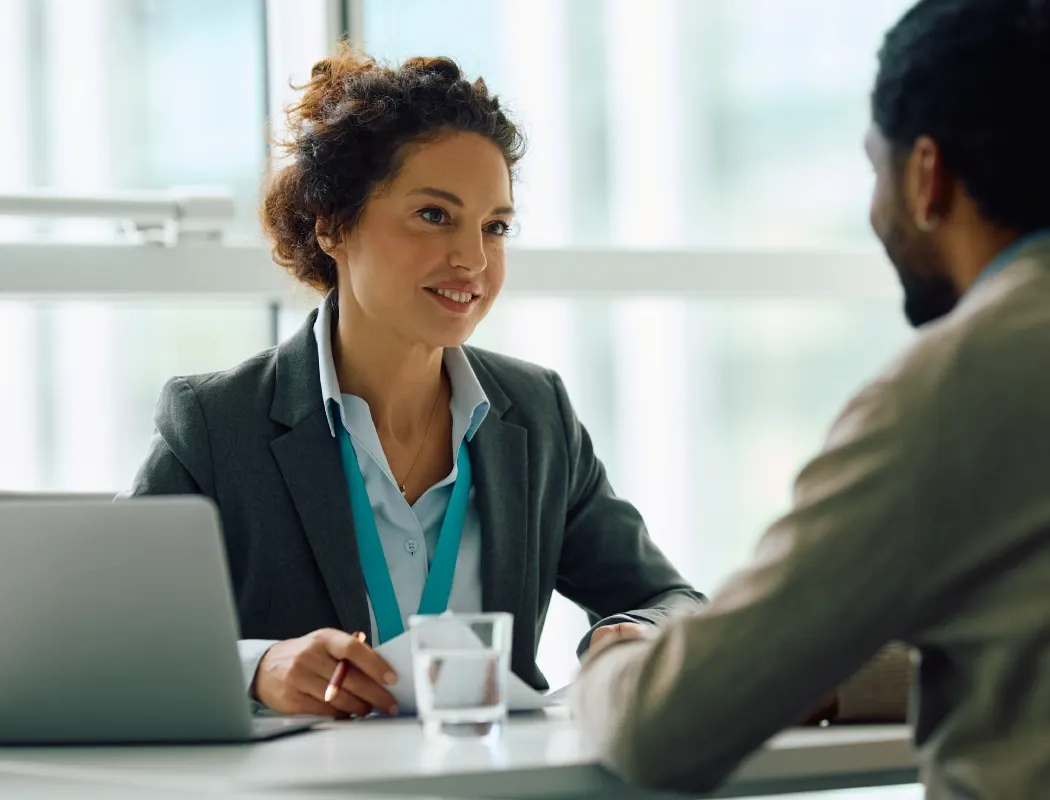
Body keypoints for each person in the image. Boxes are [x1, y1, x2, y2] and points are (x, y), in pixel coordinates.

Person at [128, 46, 705, 719]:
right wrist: (258, 667)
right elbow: (106, 632)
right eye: (435, 215)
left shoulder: (536, 414)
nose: (473, 259)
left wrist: (629, 634)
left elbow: (674, 600)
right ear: (333, 223)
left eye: (495, 227)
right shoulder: (217, 423)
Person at [571, 0, 1050, 796]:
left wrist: (617, 661)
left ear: (927, 175)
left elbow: (665, 727)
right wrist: (799, 667)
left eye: (874, 169)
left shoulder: (953, 386)